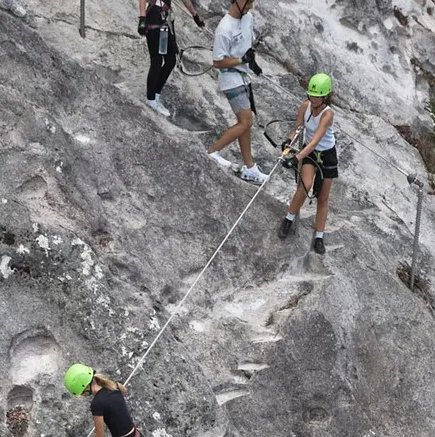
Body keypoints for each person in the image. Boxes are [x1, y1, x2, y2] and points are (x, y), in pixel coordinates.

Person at [205, 0, 268, 183]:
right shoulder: (224, 29)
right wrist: (241, 60)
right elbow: (218, 61)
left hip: (242, 76)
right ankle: (212, 151)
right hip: (231, 79)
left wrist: (251, 61)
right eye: (248, 2)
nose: (251, 6)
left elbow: (247, 47)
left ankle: (250, 168)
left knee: (246, 124)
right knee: (246, 121)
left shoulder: (247, 19)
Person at [277, 74, 339, 255]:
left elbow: (315, 141)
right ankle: (288, 219)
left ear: (325, 96)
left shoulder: (327, 115)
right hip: (310, 153)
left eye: (316, 96)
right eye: (311, 94)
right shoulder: (305, 107)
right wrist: (289, 142)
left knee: (322, 197)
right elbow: (298, 127)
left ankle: (319, 236)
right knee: (305, 186)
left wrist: (296, 158)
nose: (312, 98)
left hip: (326, 154)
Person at [138, 0, 201, 117]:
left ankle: (156, 94)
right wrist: (142, 18)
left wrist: (195, 15)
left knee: (171, 60)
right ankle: (151, 99)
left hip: (166, 20)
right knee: (156, 61)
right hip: (154, 18)